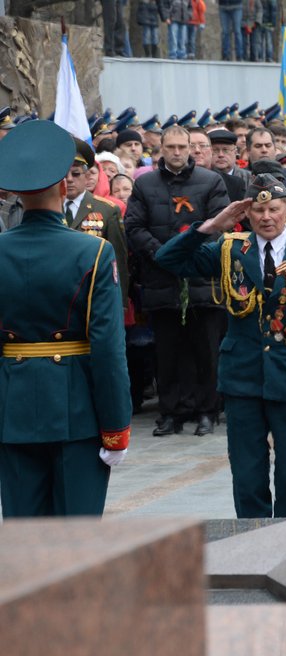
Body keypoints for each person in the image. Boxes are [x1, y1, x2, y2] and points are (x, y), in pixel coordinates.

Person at [155, 175, 286, 518]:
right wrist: (212, 225)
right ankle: (252, 543)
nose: (266, 217)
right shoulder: (230, 249)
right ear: (246, 213)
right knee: (247, 473)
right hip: (243, 378)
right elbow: (168, 260)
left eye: (274, 209)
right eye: (258, 210)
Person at [0, 120, 132, 517]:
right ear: (63, 186)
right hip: (76, 410)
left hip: (12, 410)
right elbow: (108, 349)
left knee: (25, 538)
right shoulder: (92, 252)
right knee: (76, 539)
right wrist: (116, 428)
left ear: (18, 193)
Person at [124, 125, 229, 438]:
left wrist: (190, 255)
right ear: (161, 150)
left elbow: (220, 225)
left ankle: (207, 411)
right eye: (171, 147)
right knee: (168, 353)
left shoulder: (211, 181)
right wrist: (163, 253)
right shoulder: (145, 185)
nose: (178, 152)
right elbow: (134, 226)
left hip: (202, 281)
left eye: (183, 147)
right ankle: (171, 413)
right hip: (161, 280)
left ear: (192, 148)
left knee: (206, 351)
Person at [64, 138, 130, 310]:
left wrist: (120, 303)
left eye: (76, 174)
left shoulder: (107, 210)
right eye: (64, 174)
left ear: (87, 176)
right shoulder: (49, 208)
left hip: (96, 296)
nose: (69, 179)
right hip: (58, 296)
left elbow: (119, 260)